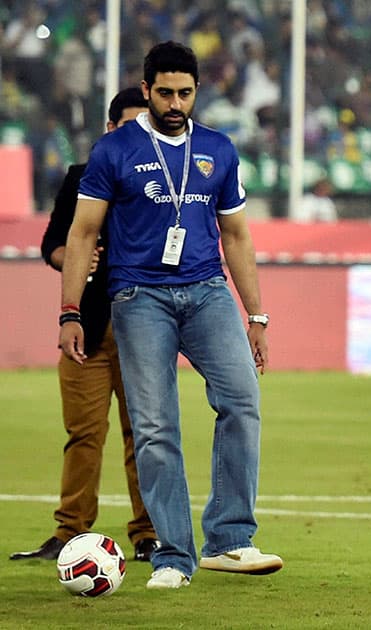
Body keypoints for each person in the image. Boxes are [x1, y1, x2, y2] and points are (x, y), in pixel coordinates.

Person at [58, 41, 282, 590]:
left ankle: (229, 540)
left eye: (185, 93)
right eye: (165, 93)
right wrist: (69, 311)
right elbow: (83, 232)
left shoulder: (218, 150)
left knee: (242, 401)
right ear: (147, 88)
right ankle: (173, 557)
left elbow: (237, 236)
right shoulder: (114, 152)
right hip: (139, 297)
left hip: (207, 293)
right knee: (157, 427)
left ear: (197, 91)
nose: (175, 103)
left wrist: (257, 316)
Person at [11, 88, 160, 563]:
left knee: (147, 436)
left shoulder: (167, 183)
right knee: (84, 434)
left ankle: (150, 536)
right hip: (88, 329)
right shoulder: (80, 178)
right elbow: (53, 243)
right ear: (111, 129)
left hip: (146, 330)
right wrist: (72, 257)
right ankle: (70, 533)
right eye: (132, 126)